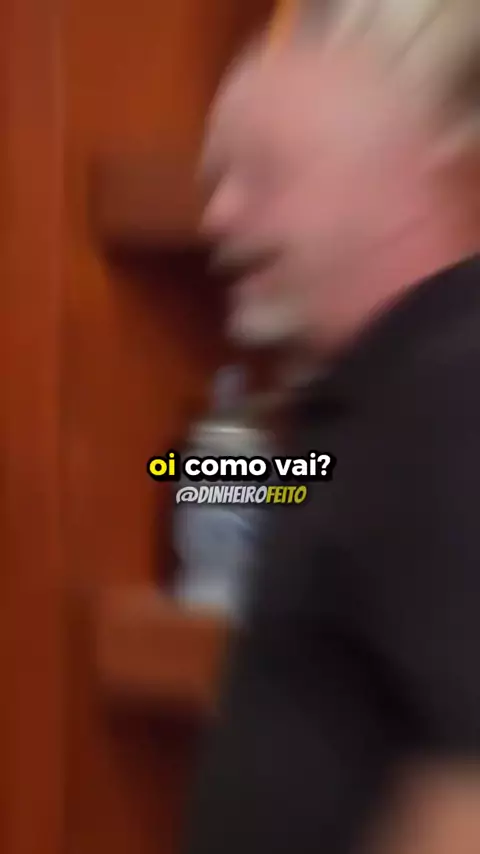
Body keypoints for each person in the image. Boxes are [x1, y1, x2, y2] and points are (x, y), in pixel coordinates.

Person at [184, 1, 480, 853]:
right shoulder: (369, 403)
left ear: (407, 176)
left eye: (265, 175)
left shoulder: (453, 397)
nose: (217, 217)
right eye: (220, 177)